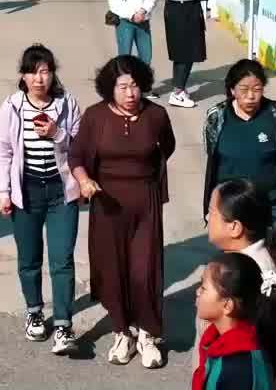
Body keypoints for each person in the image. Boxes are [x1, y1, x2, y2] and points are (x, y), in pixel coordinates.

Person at [72, 55, 176, 368]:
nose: (130, 93)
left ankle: (147, 334)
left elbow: (166, 147)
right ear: (110, 88)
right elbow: (76, 154)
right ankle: (123, 331)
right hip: (107, 204)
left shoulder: (156, 115)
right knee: (113, 271)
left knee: (145, 271)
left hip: (145, 203)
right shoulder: (95, 116)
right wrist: (85, 179)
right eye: (122, 87)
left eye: (134, 86)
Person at [0, 44, 83, 354]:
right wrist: (4, 192)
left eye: (45, 71)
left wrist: (57, 133)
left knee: (62, 259)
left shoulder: (68, 104)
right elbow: (3, 150)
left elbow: (80, 148)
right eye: (32, 72)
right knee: (29, 259)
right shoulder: (13, 106)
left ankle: (63, 326)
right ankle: (34, 313)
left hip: (61, 192)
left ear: (53, 73)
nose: (39, 78)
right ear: (23, 76)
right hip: (27, 192)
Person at [202, 179, 276, 382]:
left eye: (212, 212)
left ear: (234, 227)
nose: (207, 217)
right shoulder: (239, 261)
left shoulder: (252, 273)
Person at [202, 59, 276, 229]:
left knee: (275, 255)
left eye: (257, 89)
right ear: (232, 90)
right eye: (244, 89)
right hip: (231, 210)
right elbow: (211, 155)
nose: (251, 96)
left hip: (273, 207)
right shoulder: (216, 117)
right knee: (237, 256)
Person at [192, 252, 276, 390]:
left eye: (203, 288)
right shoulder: (217, 340)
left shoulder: (237, 369)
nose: (197, 291)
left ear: (227, 305)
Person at [161, 0, 210, 109]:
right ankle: (178, 92)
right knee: (187, 54)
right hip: (188, 13)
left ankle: (179, 87)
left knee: (178, 53)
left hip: (172, 12)